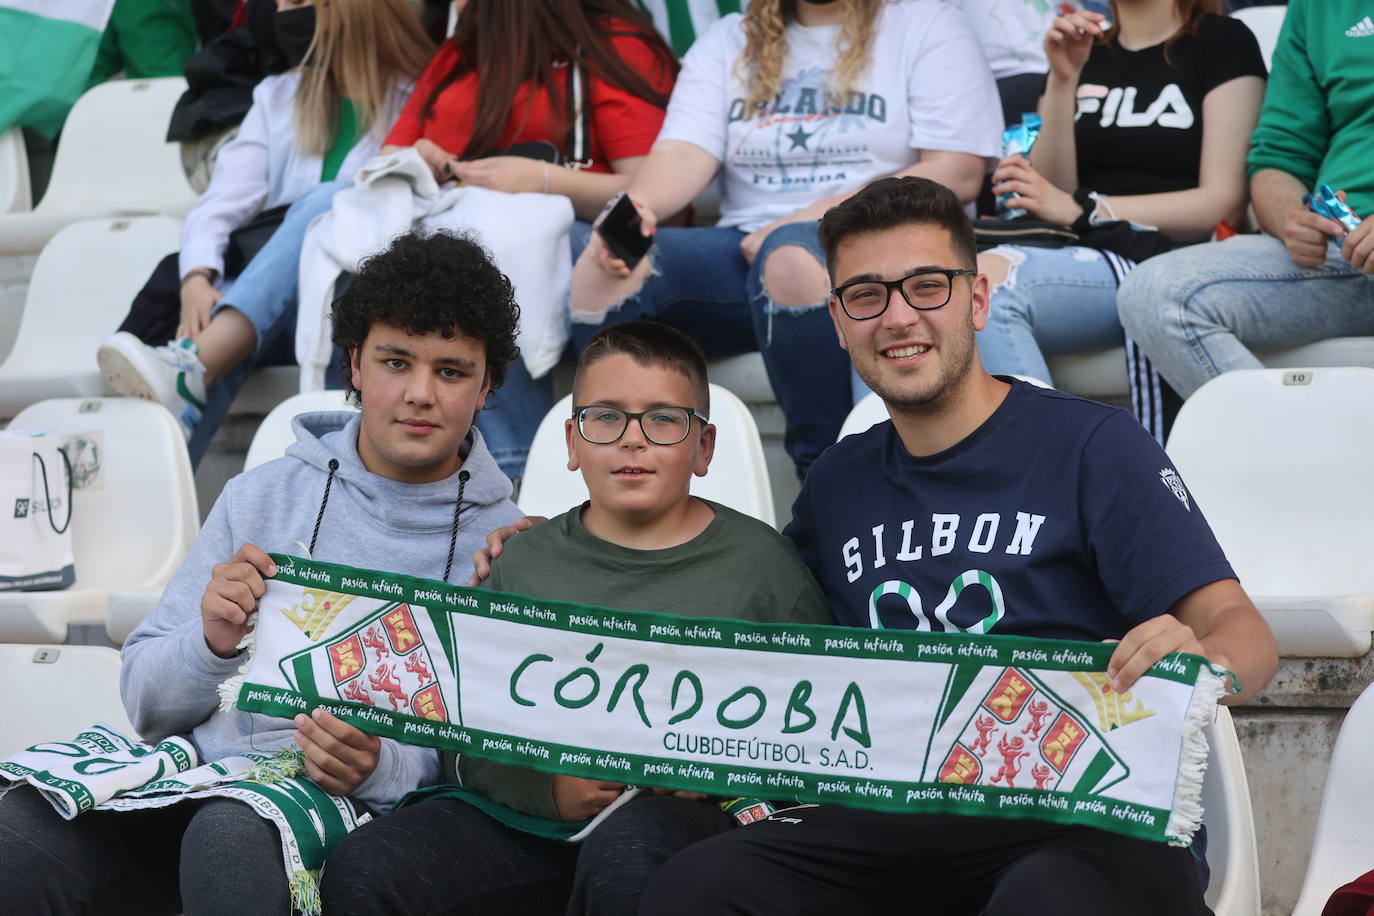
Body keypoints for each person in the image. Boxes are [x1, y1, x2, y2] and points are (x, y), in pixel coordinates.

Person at [478, 177, 1278, 915]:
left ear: (977, 299)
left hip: (1080, 810)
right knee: (699, 888)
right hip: (896, 817)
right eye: (866, 295)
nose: (898, 317)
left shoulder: (1093, 446)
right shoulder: (840, 482)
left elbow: (1246, 636)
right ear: (837, 321)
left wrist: (1193, 661)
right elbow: (733, 597)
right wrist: (558, 547)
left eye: (927, 286)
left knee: (1045, 900)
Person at [0, 230, 524, 915]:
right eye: (397, 361)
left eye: (451, 371)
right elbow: (149, 704)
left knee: (228, 837)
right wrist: (210, 642)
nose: (421, 393)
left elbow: (482, 761)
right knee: (19, 831)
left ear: (489, 387)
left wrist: (378, 766)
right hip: (202, 776)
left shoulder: (504, 546)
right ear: (355, 365)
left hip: (347, 817)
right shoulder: (263, 495)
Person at [319, 320, 832, 916]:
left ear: (705, 446)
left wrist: (722, 771)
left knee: (629, 850)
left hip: (689, 827)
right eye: (605, 417)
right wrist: (547, 790)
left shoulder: (766, 571)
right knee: (371, 866)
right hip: (529, 823)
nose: (632, 440)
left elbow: (825, 736)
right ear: (571, 441)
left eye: (664, 419)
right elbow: (460, 741)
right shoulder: (522, 565)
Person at [569, 0, 1002, 478]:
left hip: (867, 248)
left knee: (790, 256)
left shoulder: (924, 22)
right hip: (742, 252)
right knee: (602, 264)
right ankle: (613, 478)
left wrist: (804, 221)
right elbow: (682, 152)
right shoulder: (730, 38)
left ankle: (830, 478)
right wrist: (633, 215)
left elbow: (956, 171)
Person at [97, 0, 434, 466]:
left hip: (358, 295)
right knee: (220, 301)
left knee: (329, 202)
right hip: (275, 305)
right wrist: (196, 276)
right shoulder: (278, 94)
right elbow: (220, 202)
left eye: (297, 1)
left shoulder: (420, 98)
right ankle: (156, 491)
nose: (281, 12)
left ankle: (192, 365)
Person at [379, 0, 678, 481]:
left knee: (494, 238)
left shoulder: (611, 41)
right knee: (339, 233)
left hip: (577, 236)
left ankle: (517, 469)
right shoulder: (460, 52)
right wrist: (424, 157)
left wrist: (540, 179)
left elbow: (649, 186)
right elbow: (389, 155)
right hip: (451, 229)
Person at [974, 0, 1266, 400]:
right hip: (1078, 247)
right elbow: (1051, 191)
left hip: (1169, 254)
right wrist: (1062, 79)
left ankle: (1040, 457)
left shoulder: (1222, 40)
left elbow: (1222, 202)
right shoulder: (1084, 49)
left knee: (989, 289)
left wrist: (1088, 209)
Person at [1117, 0, 1374, 397]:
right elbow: (1279, 157)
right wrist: (1293, 219)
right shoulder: (1318, 7)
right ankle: (1294, 454)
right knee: (1153, 293)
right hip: (1341, 251)